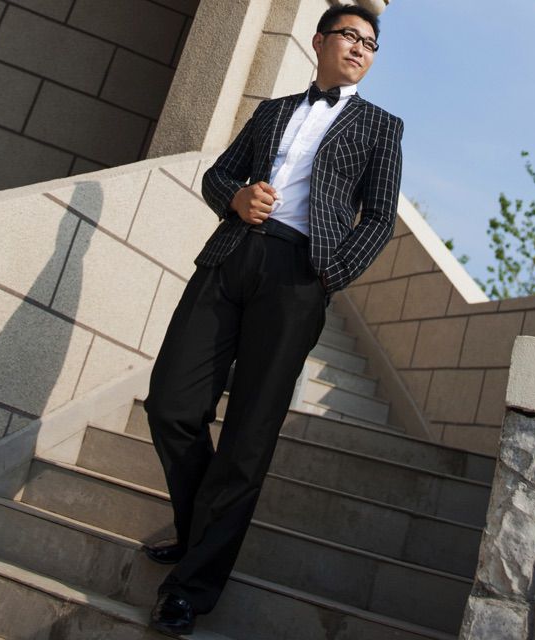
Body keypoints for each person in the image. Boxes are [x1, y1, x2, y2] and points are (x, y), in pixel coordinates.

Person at [145, 4, 403, 636]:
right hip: (230, 257)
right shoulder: (272, 110)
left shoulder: (382, 126)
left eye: (371, 44)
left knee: (250, 434)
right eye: (350, 36)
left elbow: (379, 218)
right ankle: (199, 533)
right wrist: (235, 197)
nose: (360, 49)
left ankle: (192, 586)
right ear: (319, 40)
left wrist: (330, 273)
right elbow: (218, 174)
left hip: (297, 278)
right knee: (171, 404)